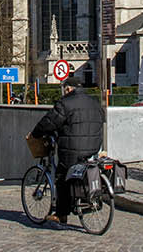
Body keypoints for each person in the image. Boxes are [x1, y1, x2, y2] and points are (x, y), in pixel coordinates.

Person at [29, 80, 105, 224]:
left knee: (62, 176)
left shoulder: (66, 103)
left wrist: (36, 134)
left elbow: (49, 122)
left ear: (68, 89)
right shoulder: (94, 102)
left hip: (73, 149)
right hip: (94, 147)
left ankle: (61, 214)